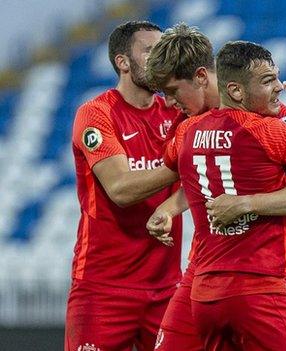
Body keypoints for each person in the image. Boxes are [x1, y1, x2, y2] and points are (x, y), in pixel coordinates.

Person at [143, 23, 286, 350]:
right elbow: (207, 179)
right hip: (206, 271)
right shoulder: (192, 124)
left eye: (173, 91)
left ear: (201, 77)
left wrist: (246, 203)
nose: (170, 103)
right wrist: (170, 207)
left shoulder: (270, 115)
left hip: (268, 274)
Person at [66, 21, 184, 351]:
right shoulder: (96, 114)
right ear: (123, 62)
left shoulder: (175, 115)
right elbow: (120, 189)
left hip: (166, 289)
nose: (160, 59)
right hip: (103, 289)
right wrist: (180, 163)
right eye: (150, 51)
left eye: (164, 51)